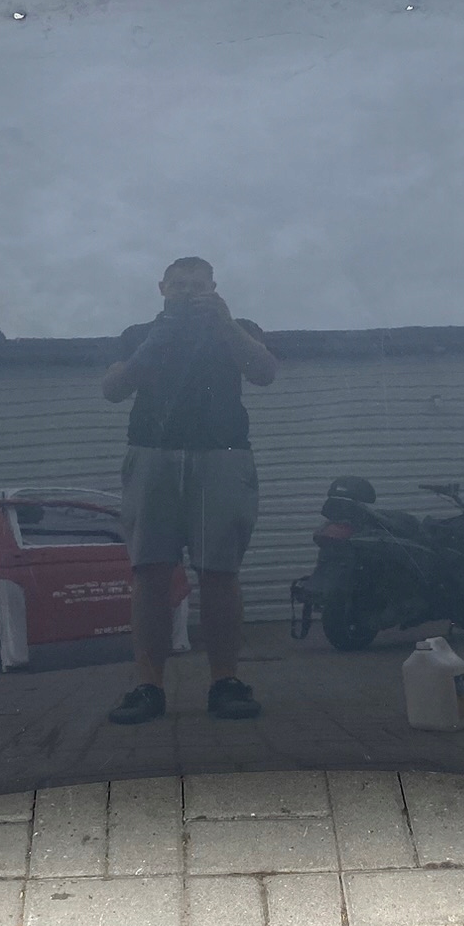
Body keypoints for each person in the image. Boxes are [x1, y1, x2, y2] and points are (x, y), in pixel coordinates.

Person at [101, 256, 278, 723]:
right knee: (150, 573)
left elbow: (264, 372)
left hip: (222, 454)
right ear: (162, 288)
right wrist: (155, 340)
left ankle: (225, 683)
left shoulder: (238, 327)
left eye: (197, 285)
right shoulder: (139, 333)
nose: (187, 292)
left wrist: (226, 324)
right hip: (152, 453)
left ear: (214, 288)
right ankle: (148, 687)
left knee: (220, 572)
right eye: (179, 284)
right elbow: (113, 389)